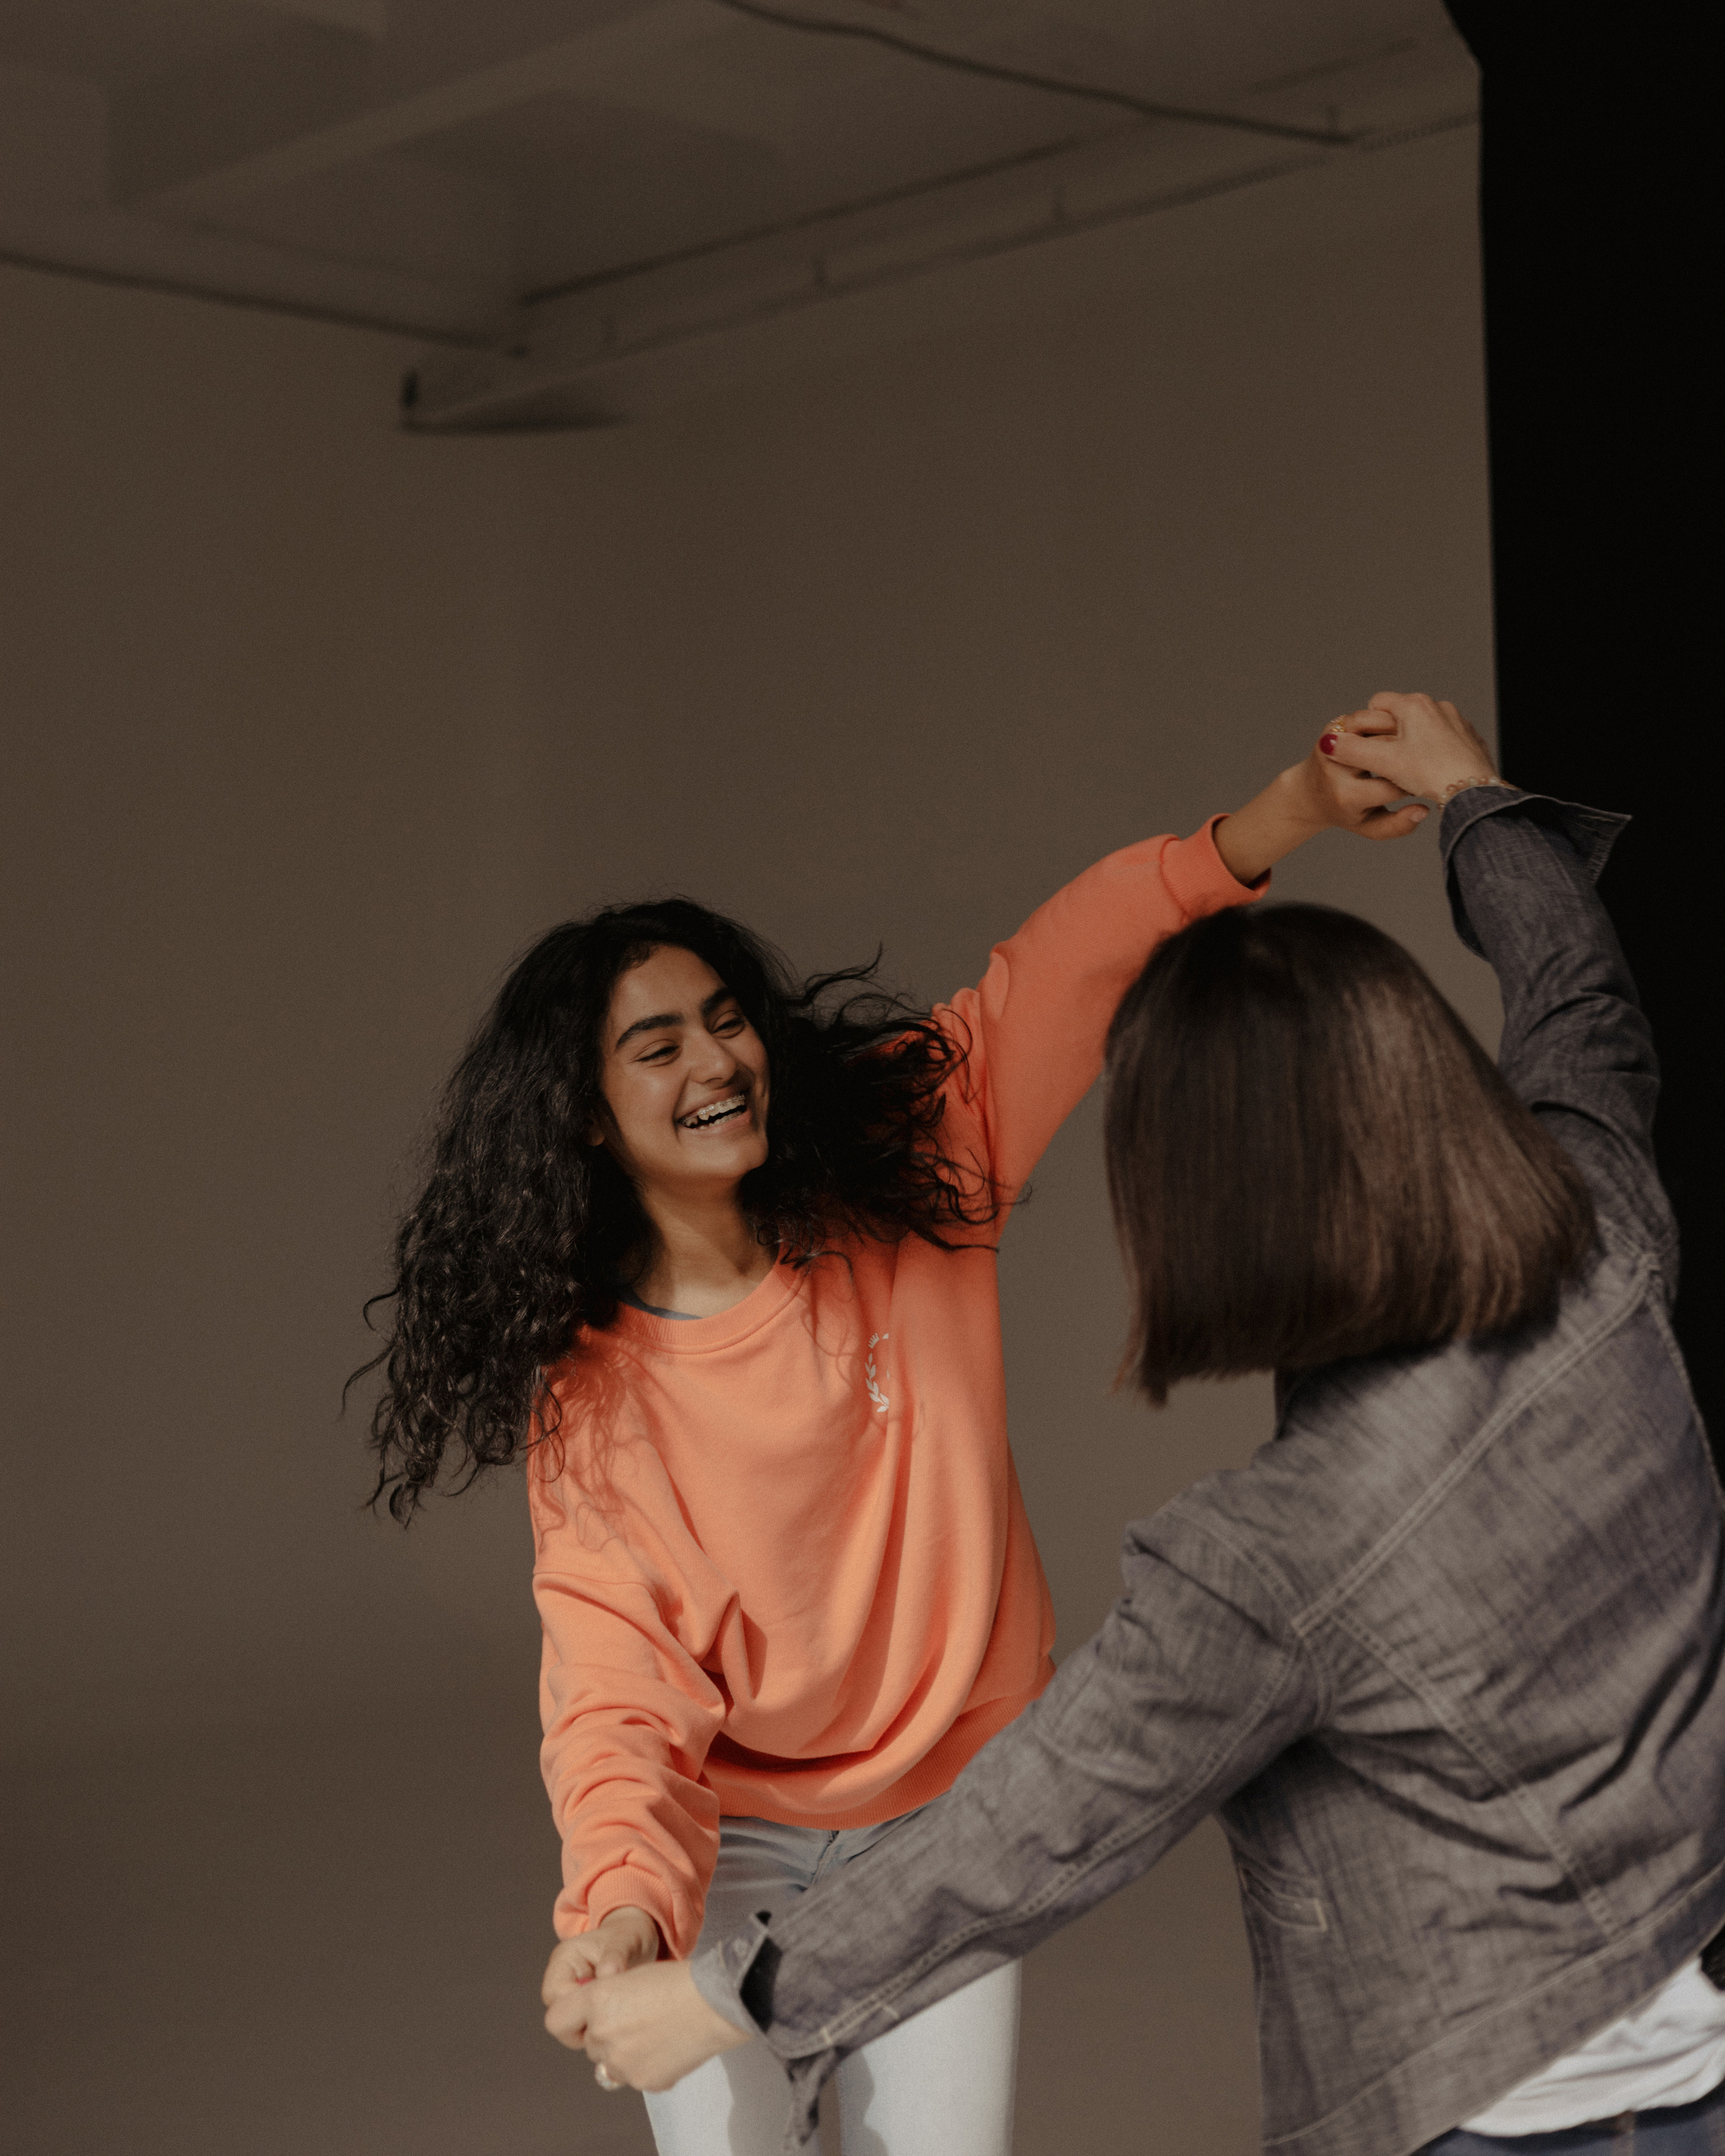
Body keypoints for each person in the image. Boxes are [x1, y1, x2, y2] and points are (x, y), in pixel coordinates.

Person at [562, 695, 1725, 2156]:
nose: (710, 1064)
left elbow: (1033, 1821)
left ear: (1203, 1211)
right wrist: (1474, 803)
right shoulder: (1607, 1242)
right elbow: (1580, 1006)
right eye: (652, 1048)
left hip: (1467, 2119)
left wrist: (732, 1996)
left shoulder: (1271, 1557)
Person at [363, 720, 1426, 2156]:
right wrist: (620, 1908)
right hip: (726, 1837)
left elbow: (1071, 959)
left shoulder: (917, 1162)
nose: (714, 1060)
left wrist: (1287, 806)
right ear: (590, 1120)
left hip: (949, 1820)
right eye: (655, 1046)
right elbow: (617, 1691)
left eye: (726, 1018)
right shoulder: (594, 1400)